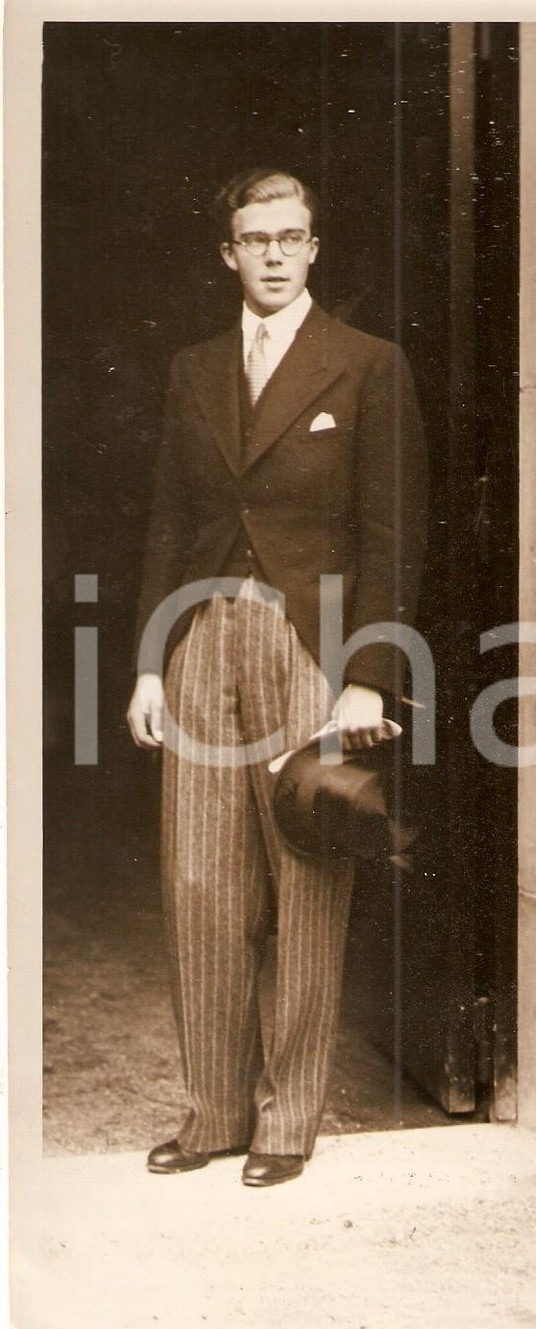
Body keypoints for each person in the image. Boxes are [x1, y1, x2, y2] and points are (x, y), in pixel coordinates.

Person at [126, 168, 427, 1186]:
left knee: (305, 877)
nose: (271, 254)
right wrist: (147, 668)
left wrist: (369, 677)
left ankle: (288, 1116)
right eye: (253, 238)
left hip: (313, 645)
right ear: (227, 252)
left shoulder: (366, 364)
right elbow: (168, 521)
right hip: (204, 632)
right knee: (201, 879)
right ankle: (213, 1109)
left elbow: (393, 533)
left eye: (290, 237)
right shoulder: (193, 369)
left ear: (313, 248)